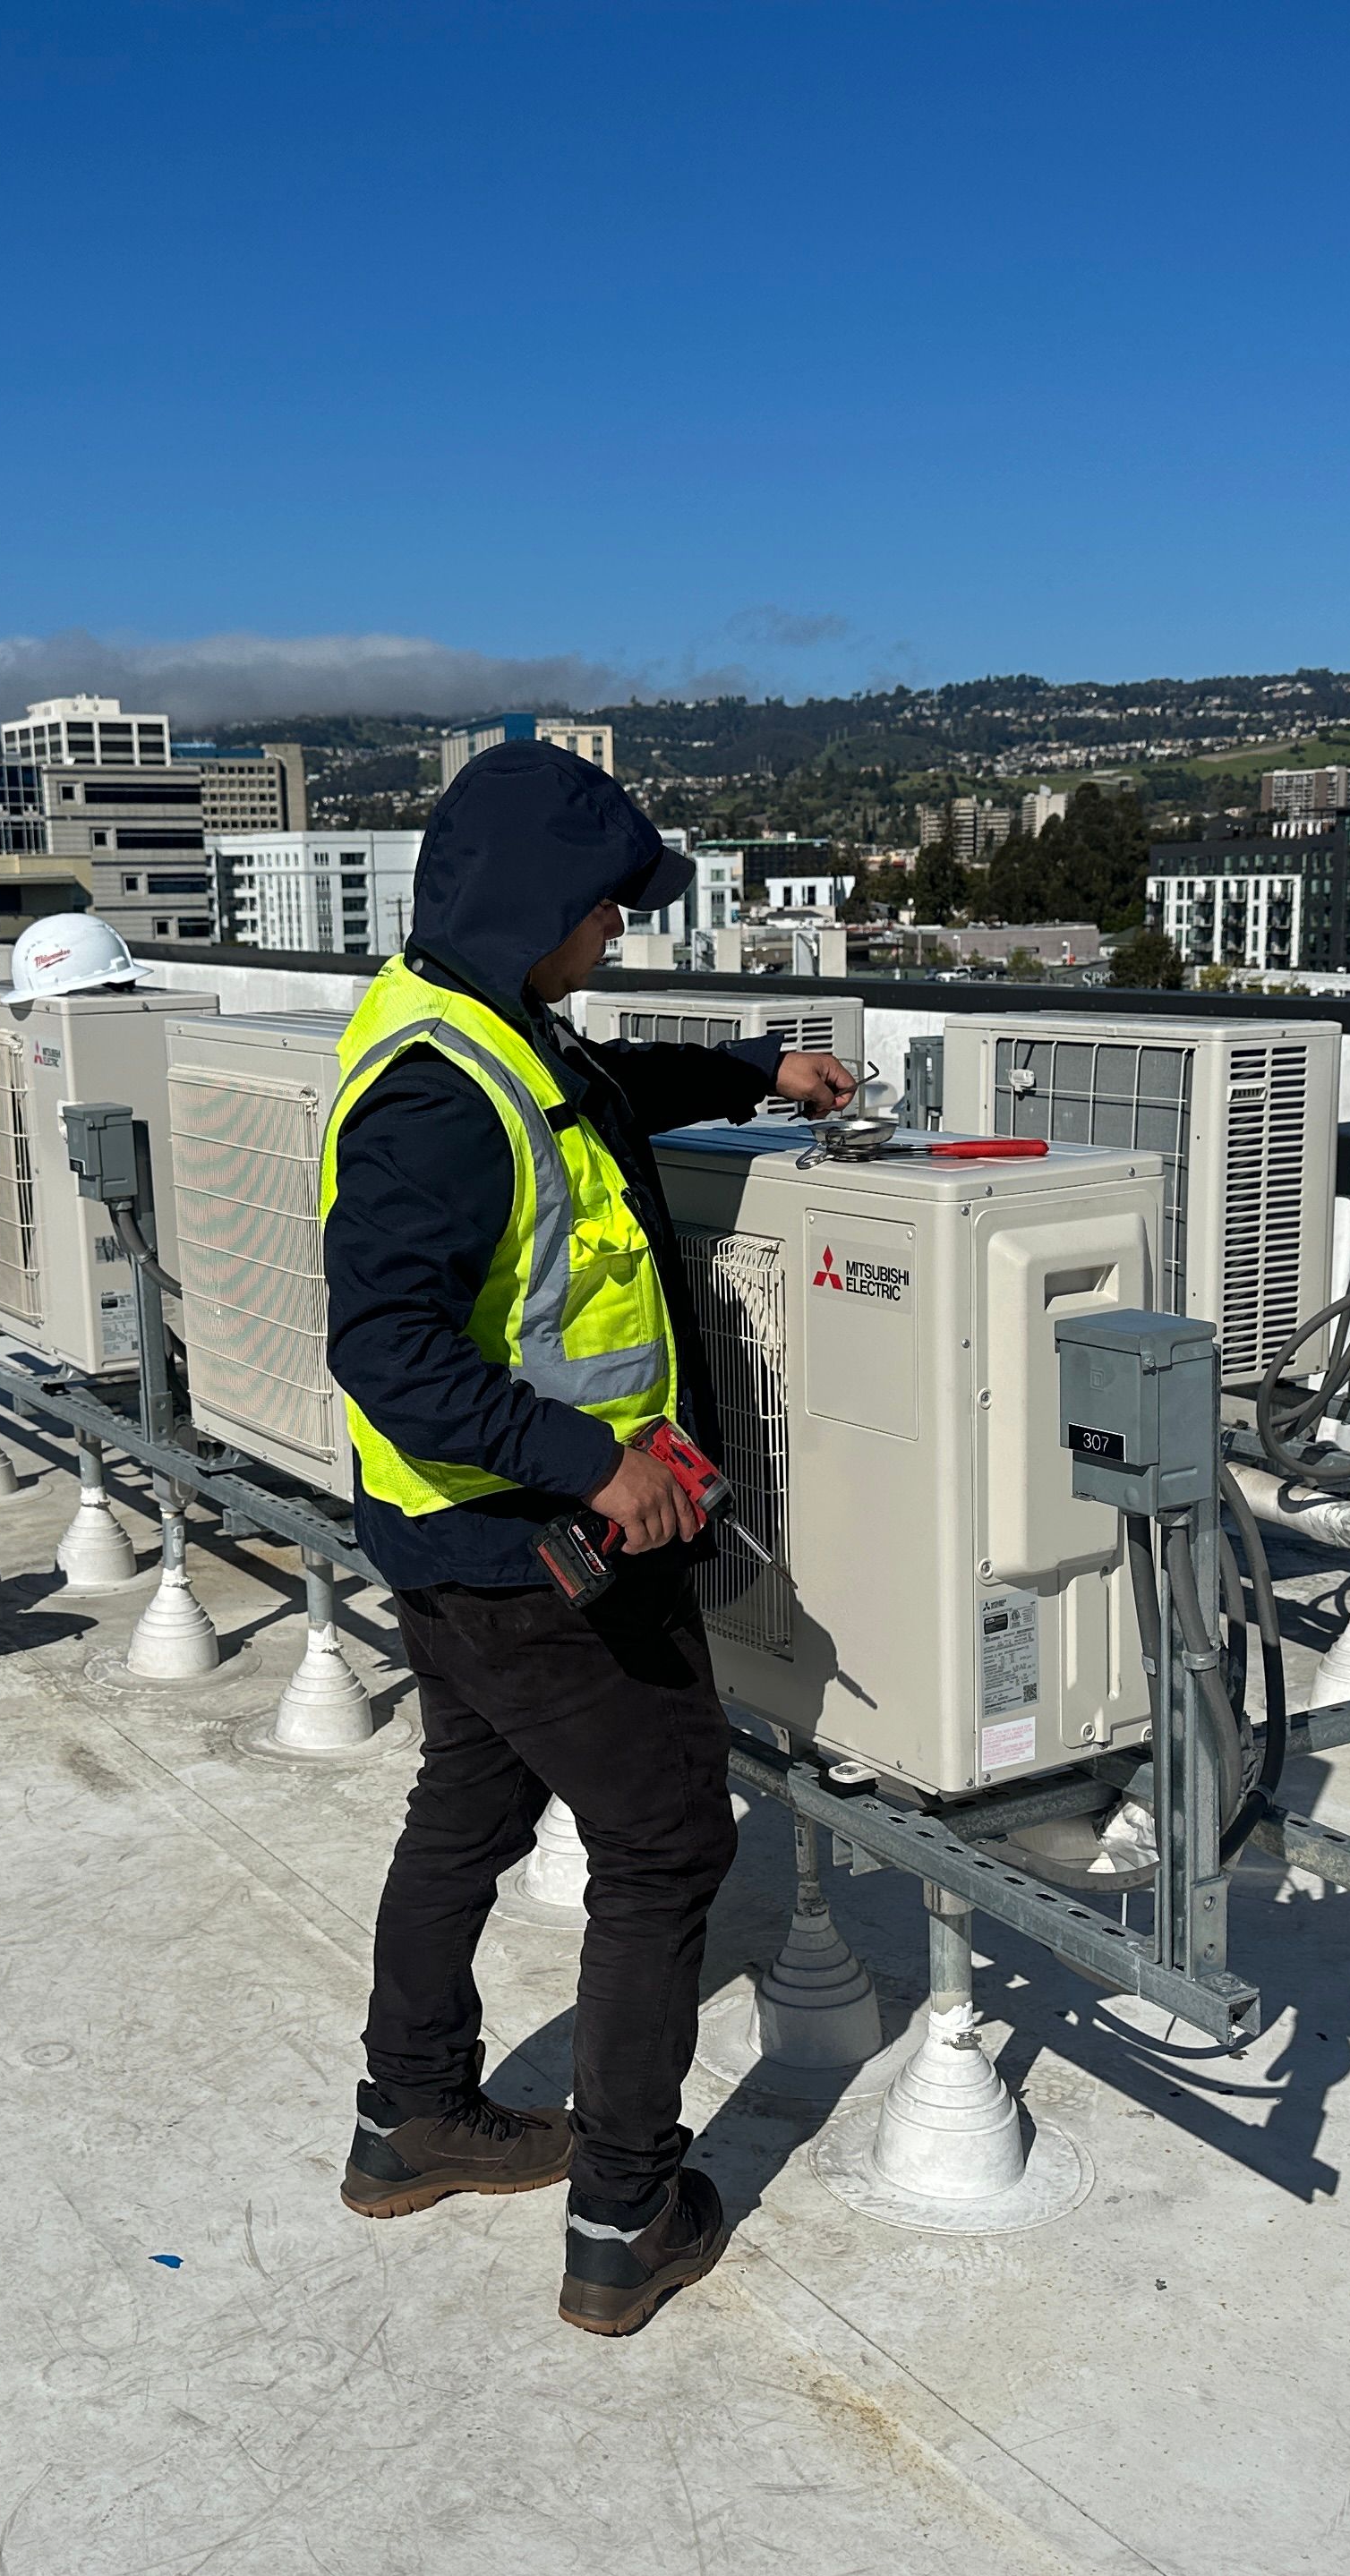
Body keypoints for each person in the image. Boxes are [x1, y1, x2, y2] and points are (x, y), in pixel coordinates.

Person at [319, 742, 854, 2337]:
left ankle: (405, 2120)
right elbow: (387, 1347)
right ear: (542, 904)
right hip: (529, 1551)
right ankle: (626, 2208)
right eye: (607, 908)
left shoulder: (475, 1024)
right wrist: (588, 1466)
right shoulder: (439, 1095)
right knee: (671, 1841)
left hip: (450, 1548)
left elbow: (608, 1092)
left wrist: (760, 1069)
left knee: (469, 1803)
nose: (615, 934)